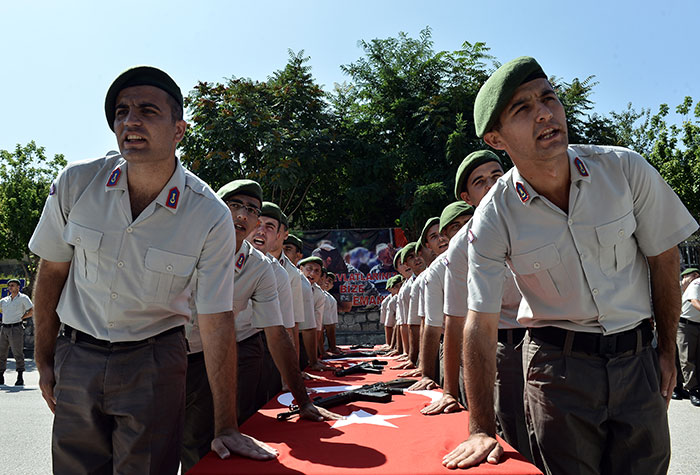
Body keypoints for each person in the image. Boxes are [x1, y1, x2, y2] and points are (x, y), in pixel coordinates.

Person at [443, 56, 698, 475]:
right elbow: (481, 322)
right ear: (496, 138)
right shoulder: (495, 216)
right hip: (559, 374)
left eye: (549, 98)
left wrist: (666, 352)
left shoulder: (623, 170)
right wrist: (480, 427)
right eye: (522, 109)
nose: (545, 113)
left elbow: (664, 258)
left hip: (637, 363)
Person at [29, 66, 275, 474]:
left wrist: (226, 424)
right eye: (122, 111)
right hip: (79, 355)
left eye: (147, 110)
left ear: (179, 131)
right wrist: (44, 360)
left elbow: (216, 318)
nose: (131, 121)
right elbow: (52, 272)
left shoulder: (208, 214)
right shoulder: (77, 183)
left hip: (154, 363)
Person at [410, 203, 473, 396]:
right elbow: (428, 324)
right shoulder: (438, 270)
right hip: (457, 346)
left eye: (468, 222)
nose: (464, 229)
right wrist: (425, 370)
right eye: (456, 226)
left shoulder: (497, 251)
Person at [0, 278, 33, 386]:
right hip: (4, 328)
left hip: (16, 328)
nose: (10, 287)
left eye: (13, 285)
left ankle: (20, 376)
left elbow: (32, 310)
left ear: (18, 287)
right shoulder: (4, 300)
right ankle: (0, 376)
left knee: (17, 353)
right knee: (1, 353)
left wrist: (23, 317)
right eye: (9, 286)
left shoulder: (23, 298)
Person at [678, 267, 700, 406]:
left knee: (696, 358)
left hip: (697, 324)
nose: (683, 282)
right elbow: (694, 301)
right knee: (687, 359)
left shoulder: (696, 280)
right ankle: (693, 390)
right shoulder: (696, 283)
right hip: (685, 325)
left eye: (684, 279)